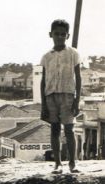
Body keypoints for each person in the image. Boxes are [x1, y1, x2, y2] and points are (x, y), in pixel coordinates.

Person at [40, 19, 81, 174]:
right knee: (55, 129)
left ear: (67, 36)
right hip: (50, 96)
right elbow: (43, 81)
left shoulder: (73, 54)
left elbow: (78, 78)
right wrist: (43, 104)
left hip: (68, 96)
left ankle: (72, 163)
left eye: (63, 34)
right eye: (56, 34)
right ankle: (57, 164)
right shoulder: (46, 57)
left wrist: (77, 101)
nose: (60, 37)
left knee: (69, 129)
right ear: (51, 34)